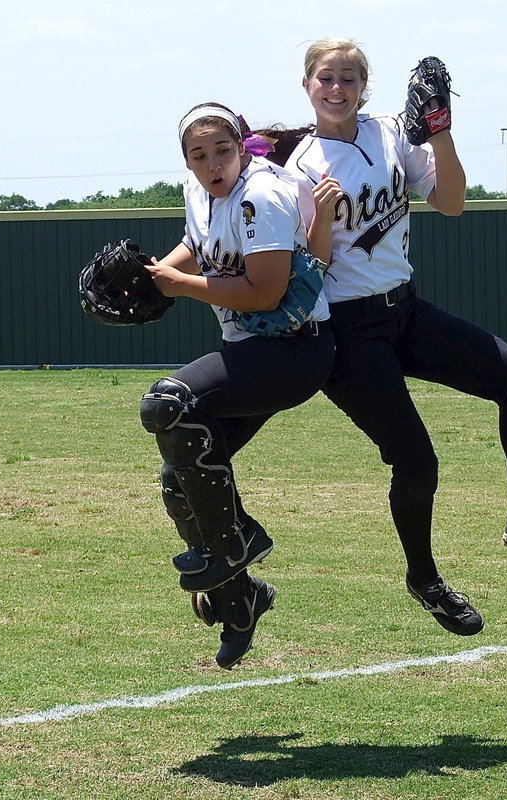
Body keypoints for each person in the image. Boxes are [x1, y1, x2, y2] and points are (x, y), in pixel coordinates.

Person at [273, 37, 507, 637]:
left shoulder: (392, 133)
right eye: (326, 78)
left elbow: (450, 203)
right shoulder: (296, 168)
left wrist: (439, 130)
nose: (338, 88)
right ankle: (423, 578)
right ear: (307, 86)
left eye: (349, 77)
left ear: (364, 86)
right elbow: (307, 264)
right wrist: (319, 217)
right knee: (416, 461)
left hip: (405, 310)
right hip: (347, 331)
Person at [139, 102, 335, 669]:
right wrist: (157, 276)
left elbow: (264, 293)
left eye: (222, 151)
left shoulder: (261, 196)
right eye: (198, 156)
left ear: (241, 147)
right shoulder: (199, 191)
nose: (211, 164)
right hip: (249, 350)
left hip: (293, 351)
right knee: (179, 479)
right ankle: (240, 597)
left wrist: (184, 285)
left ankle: (239, 539)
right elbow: (195, 244)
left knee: (167, 403)